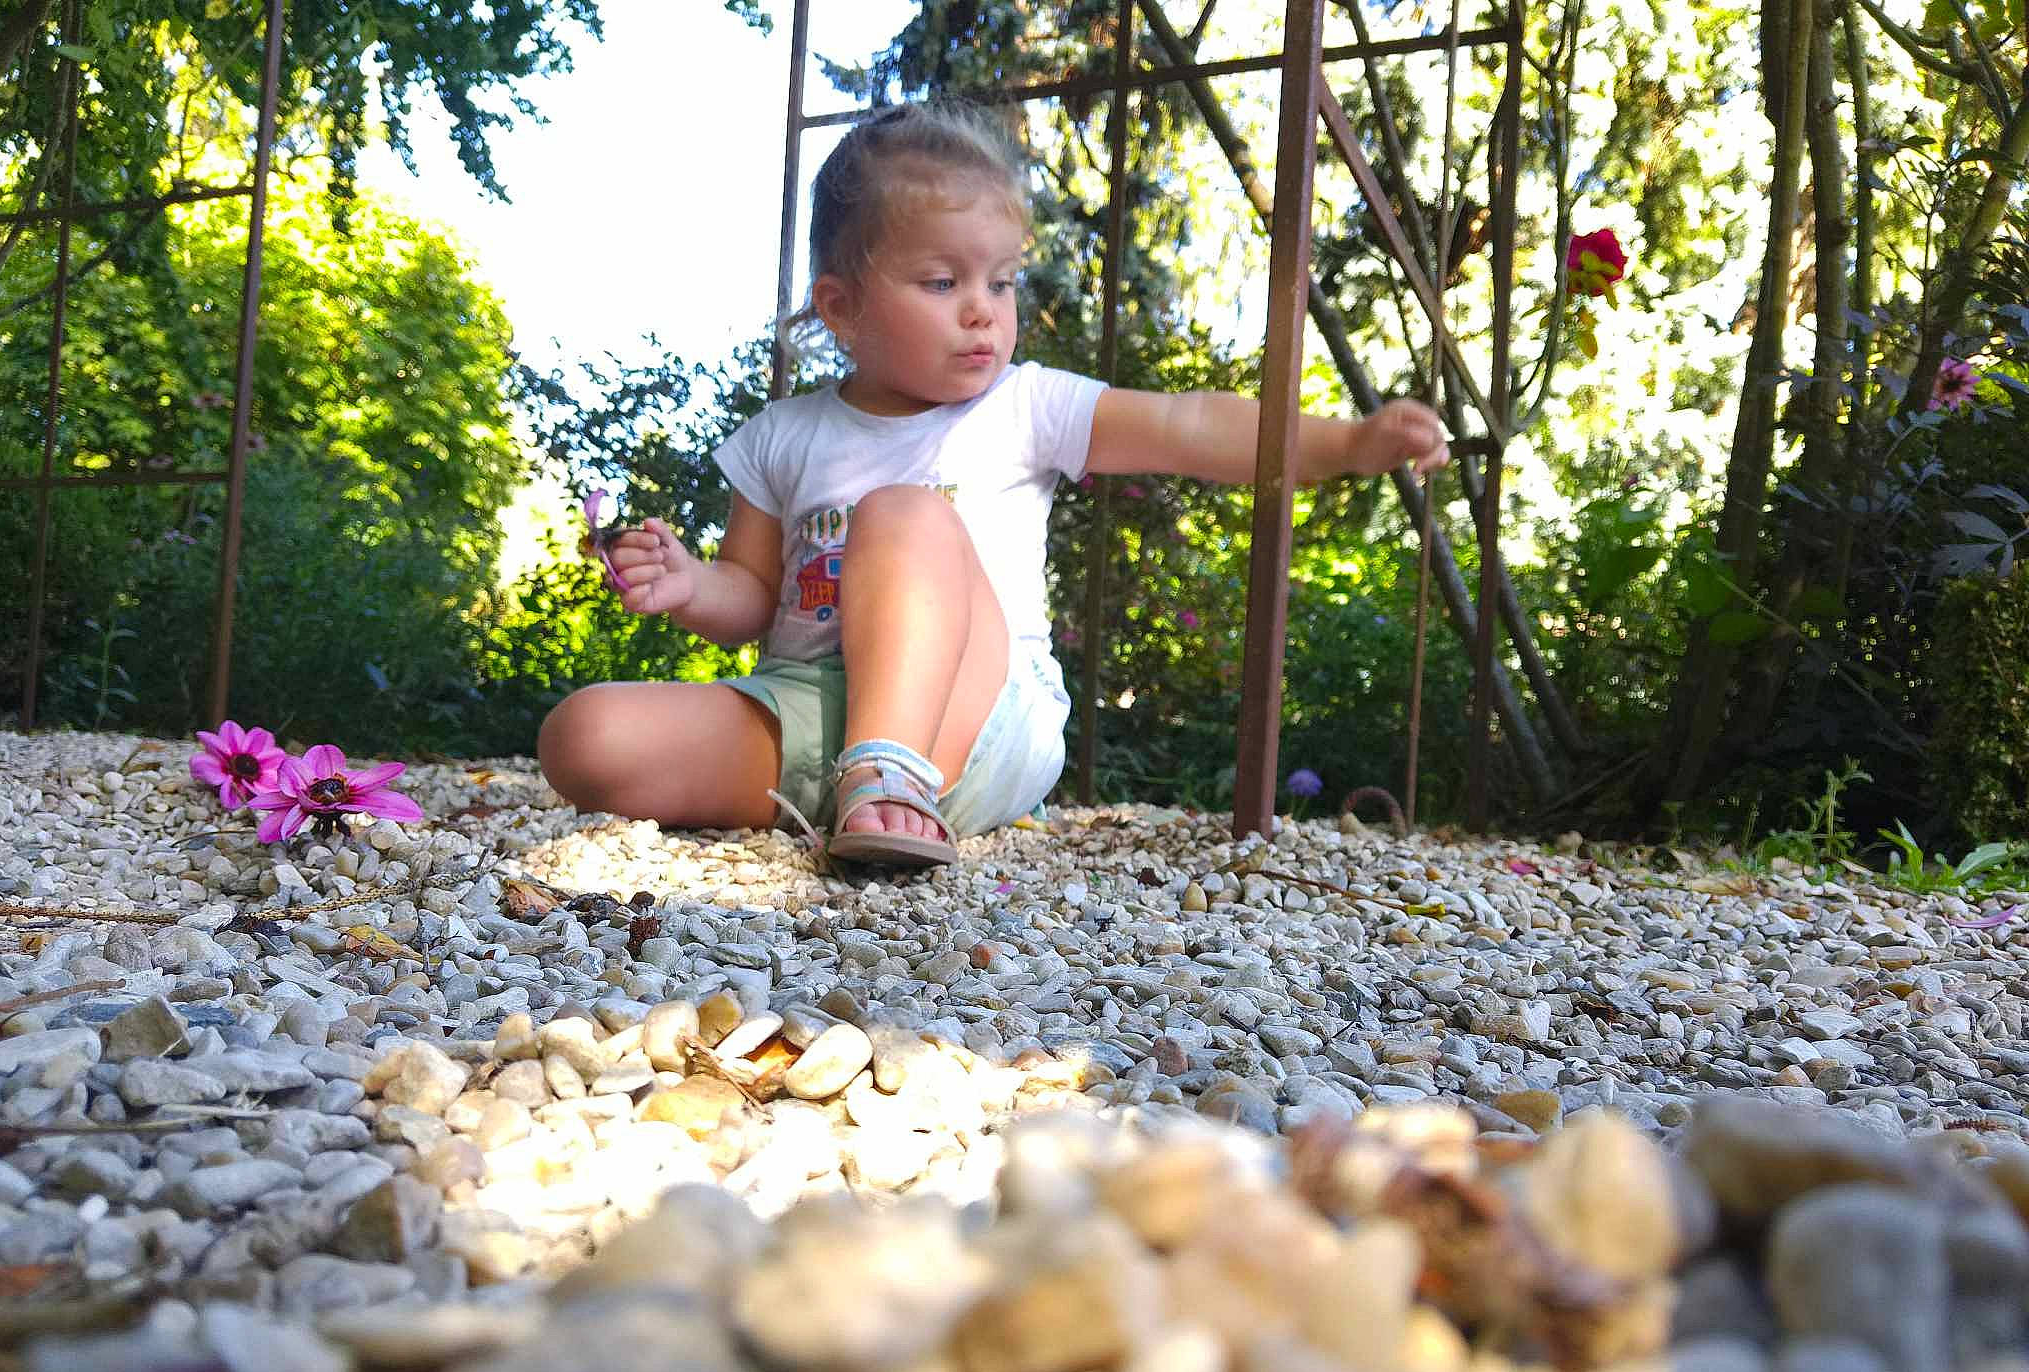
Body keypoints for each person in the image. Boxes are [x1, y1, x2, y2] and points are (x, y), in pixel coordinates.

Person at [538, 99, 1449, 868]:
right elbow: (751, 595)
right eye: (942, 281)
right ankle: (859, 796)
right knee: (583, 736)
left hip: (980, 723)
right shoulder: (785, 434)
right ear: (842, 307)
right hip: (811, 714)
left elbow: (1189, 424)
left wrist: (1345, 442)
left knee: (901, 516)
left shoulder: (1024, 407)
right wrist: (691, 583)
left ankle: (893, 774)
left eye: (1002, 282)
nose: (984, 309)